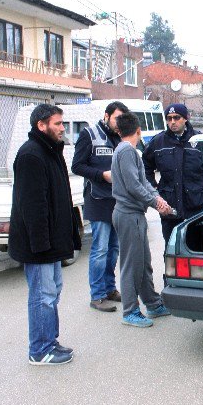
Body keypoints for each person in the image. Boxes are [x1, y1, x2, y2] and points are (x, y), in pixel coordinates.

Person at [8, 104, 82, 365]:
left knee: (52, 293)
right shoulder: (31, 155)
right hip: (39, 245)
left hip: (51, 242)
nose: (63, 128)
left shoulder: (50, 151)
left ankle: (49, 340)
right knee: (43, 296)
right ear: (42, 125)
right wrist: (41, 246)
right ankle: (40, 350)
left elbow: (61, 199)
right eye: (58, 123)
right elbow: (33, 206)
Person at [111, 112, 173, 327]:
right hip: (128, 214)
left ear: (119, 131)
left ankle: (153, 303)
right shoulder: (127, 151)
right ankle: (130, 311)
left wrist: (157, 198)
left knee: (143, 262)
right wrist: (156, 203)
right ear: (138, 130)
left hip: (133, 214)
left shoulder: (128, 151)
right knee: (131, 265)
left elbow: (143, 182)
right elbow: (134, 186)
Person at [71, 101, 129, 312]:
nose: (119, 124)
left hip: (117, 201)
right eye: (116, 119)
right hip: (97, 200)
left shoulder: (121, 137)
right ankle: (97, 296)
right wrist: (101, 175)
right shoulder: (90, 134)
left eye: (122, 120)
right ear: (106, 115)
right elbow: (77, 165)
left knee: (114, 249)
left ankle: (109, 289)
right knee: (100, 249)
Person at [143, 103, 203, 246]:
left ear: (186, 118)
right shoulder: (158, 142)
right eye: (169, 118)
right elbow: (145, 168)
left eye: (176, 117)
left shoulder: (200, 141)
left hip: (197, 207)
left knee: (197, 249)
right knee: (172, 250)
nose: (172, 122)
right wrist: (154, 192)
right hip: (169, 209)